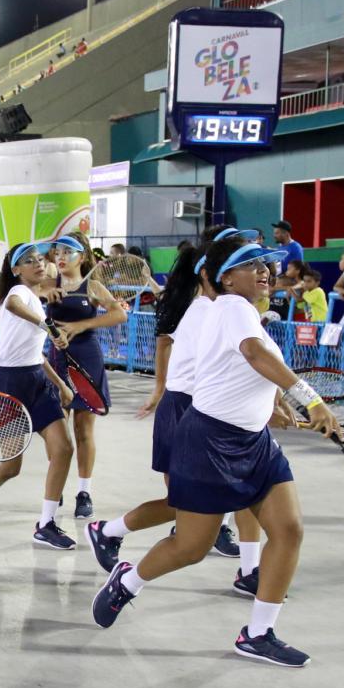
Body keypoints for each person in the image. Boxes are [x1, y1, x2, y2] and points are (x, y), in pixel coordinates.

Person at [92, 238, 342, 668]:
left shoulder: (245, 313)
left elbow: (244, 366)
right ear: (225, 277)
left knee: (288, 529)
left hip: (254, 443)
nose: (264, 270)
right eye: (251, 265)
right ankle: (128, 581)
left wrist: (270, 404)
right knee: (190, 547)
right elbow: (252, 352)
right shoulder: (230, 307)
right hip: (209, 442)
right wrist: (308, 398)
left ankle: (258, 633)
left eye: (265, 264)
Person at [88, 228, 261, 589]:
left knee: (246, 492)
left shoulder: (224, 308)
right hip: (191, 412)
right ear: (214, 269)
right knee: (186, 503)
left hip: (213, 410)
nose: (258, 268)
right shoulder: (206, 311)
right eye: (243, 259)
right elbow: (233, 362)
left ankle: (249, 569)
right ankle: (108, 531)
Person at [0, 242, 76, 545]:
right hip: (11, 385)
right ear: (16, 270)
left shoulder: (35, 300)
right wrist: (48, 325)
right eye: (29, 261)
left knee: (64, 449)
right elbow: (13, 306)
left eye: (40, 259)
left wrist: (60, 384)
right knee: (12, 466)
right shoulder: (18, 294)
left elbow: (35, 353)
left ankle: (47, 523)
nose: (38, 264)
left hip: (37, 381)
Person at [46, 233, 128, 519]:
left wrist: (80, 326)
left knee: (83, 430)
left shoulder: (93, 285)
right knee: (56, 433)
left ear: (82, 257)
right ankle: (54, 491)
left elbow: (119, 315)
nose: (61, 256)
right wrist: (44, 296)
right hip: (56, 359)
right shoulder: (48, 283)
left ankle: (84, 491)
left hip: (87, 357)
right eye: (58, 251)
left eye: (68, 252)